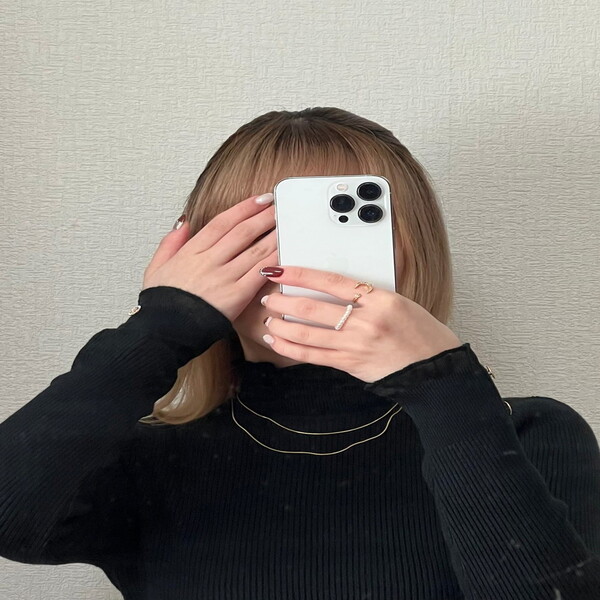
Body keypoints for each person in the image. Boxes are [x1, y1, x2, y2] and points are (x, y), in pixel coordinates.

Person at [1, 107, 599, 599]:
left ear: (411, 250)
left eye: (336, 231)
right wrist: (162, 325)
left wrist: (444, 383)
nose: (300, 268)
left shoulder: (529, 435)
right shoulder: (147, 456)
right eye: (260, 234)